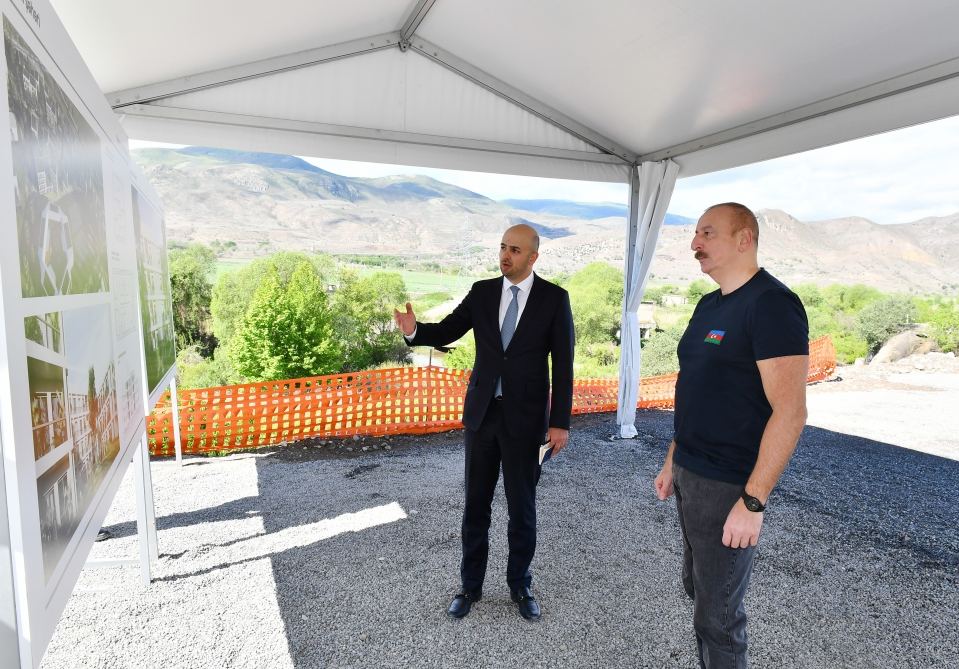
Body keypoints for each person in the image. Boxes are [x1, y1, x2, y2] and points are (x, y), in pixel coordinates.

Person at [654, 203, 809, 668]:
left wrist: (753, 502)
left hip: (728, 485)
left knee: (718, 618)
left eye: (708, 233)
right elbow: (695, 387)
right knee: (698, 590)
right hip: (689, 472)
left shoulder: (771, 305)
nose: (695, 243)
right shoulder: (709, 304)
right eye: (696, 234)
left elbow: (791, 412)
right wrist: (672, 461)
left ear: (744, 239)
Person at [394, 223, 574, 621]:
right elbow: (448, 329)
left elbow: (563, 365)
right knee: (475, 506)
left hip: (527, 421)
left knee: (522, 509)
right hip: (482, 416)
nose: (505, 255)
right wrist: (415, 331)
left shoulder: (554, 299)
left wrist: (559, 422)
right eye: (503, 247)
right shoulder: (482, 291)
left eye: (515, 250)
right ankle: (469, 586)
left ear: (533, 256)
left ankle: (520, 585)